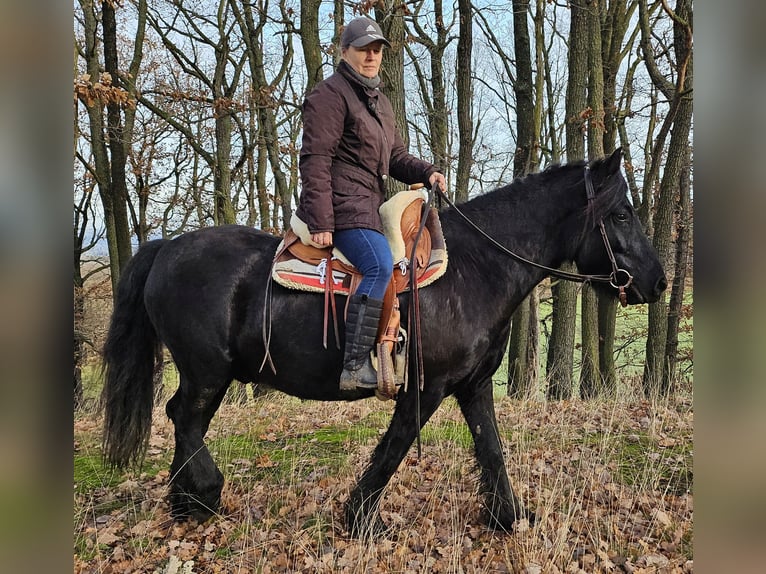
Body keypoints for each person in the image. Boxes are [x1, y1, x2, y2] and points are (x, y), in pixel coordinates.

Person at [296, 16, 446, 391]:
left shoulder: (380, 103)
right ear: (344, 51)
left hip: (368, 204)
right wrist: (321, 220)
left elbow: (396, 157)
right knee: (379, 266)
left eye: (377, 50)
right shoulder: (329, 96)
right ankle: (354, 364)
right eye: (364, 49)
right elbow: (315, 160)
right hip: (344, 207)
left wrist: (428, 171)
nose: (371, 57)